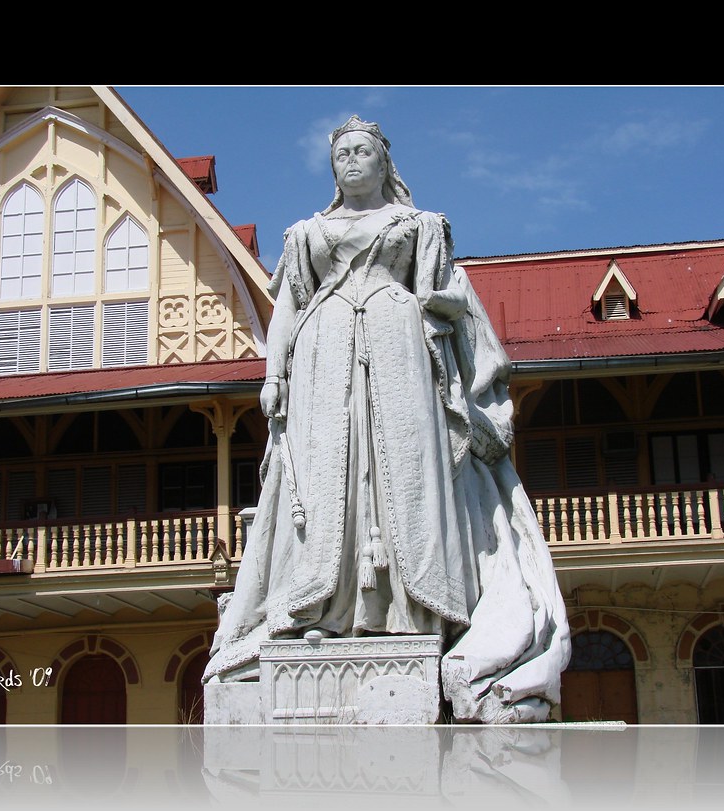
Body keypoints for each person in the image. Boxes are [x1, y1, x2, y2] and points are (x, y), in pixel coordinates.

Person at [204, 115, 570, 723]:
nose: (351, 160)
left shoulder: (418, 226)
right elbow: (289, 310)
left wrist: (445, 329)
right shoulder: (305, 235)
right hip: (322, 362)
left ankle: (409, 610)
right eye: (342, 152)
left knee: (403, 477)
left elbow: (450, 298)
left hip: (401, 361)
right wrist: (274, 377)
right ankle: (322, 612)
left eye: (363, 151)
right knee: (328, 485)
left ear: (384, 162)